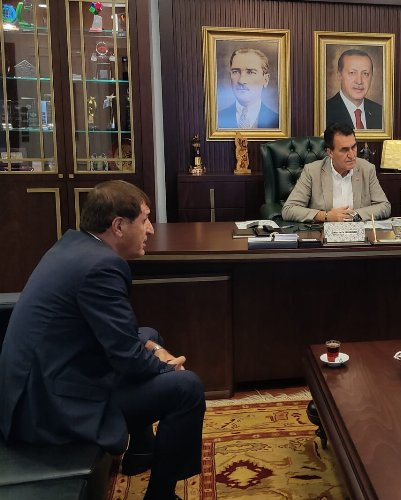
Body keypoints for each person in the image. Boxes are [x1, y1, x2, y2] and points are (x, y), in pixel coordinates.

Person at [0, 180, 205, 500]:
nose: (151, 229)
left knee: (149, 335)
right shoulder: (102, 266)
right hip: (52, 407)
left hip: (41, 381)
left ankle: (142, 451)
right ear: (118, 226)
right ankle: (161, 496)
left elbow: (119, 336)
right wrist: (168, 368)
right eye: (145, 220)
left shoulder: (74, 244)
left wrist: (152, 349)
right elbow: (129, 359)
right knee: (186, 388)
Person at [282, 122, 391, 222]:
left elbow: (384, 206)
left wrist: (356, 215)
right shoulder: (312, 171)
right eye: (344, 150)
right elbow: (289, 209)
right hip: (323, 234)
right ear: (330, 152)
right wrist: (325, 216)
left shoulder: (367, 169)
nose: (352, 155)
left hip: (359, 233)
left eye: (353, 147)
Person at [218, 47, 279, 129]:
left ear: (265, 80)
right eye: (235, 72)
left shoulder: (278, 122)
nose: (241, 80)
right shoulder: (217, 119)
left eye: (250, 72)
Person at [325, 49, 383, 130]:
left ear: (371, 77)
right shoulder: (325, 112)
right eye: (352, 73)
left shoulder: (380, 112)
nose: (359, 81)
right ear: (339, 75)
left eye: (365, 74)